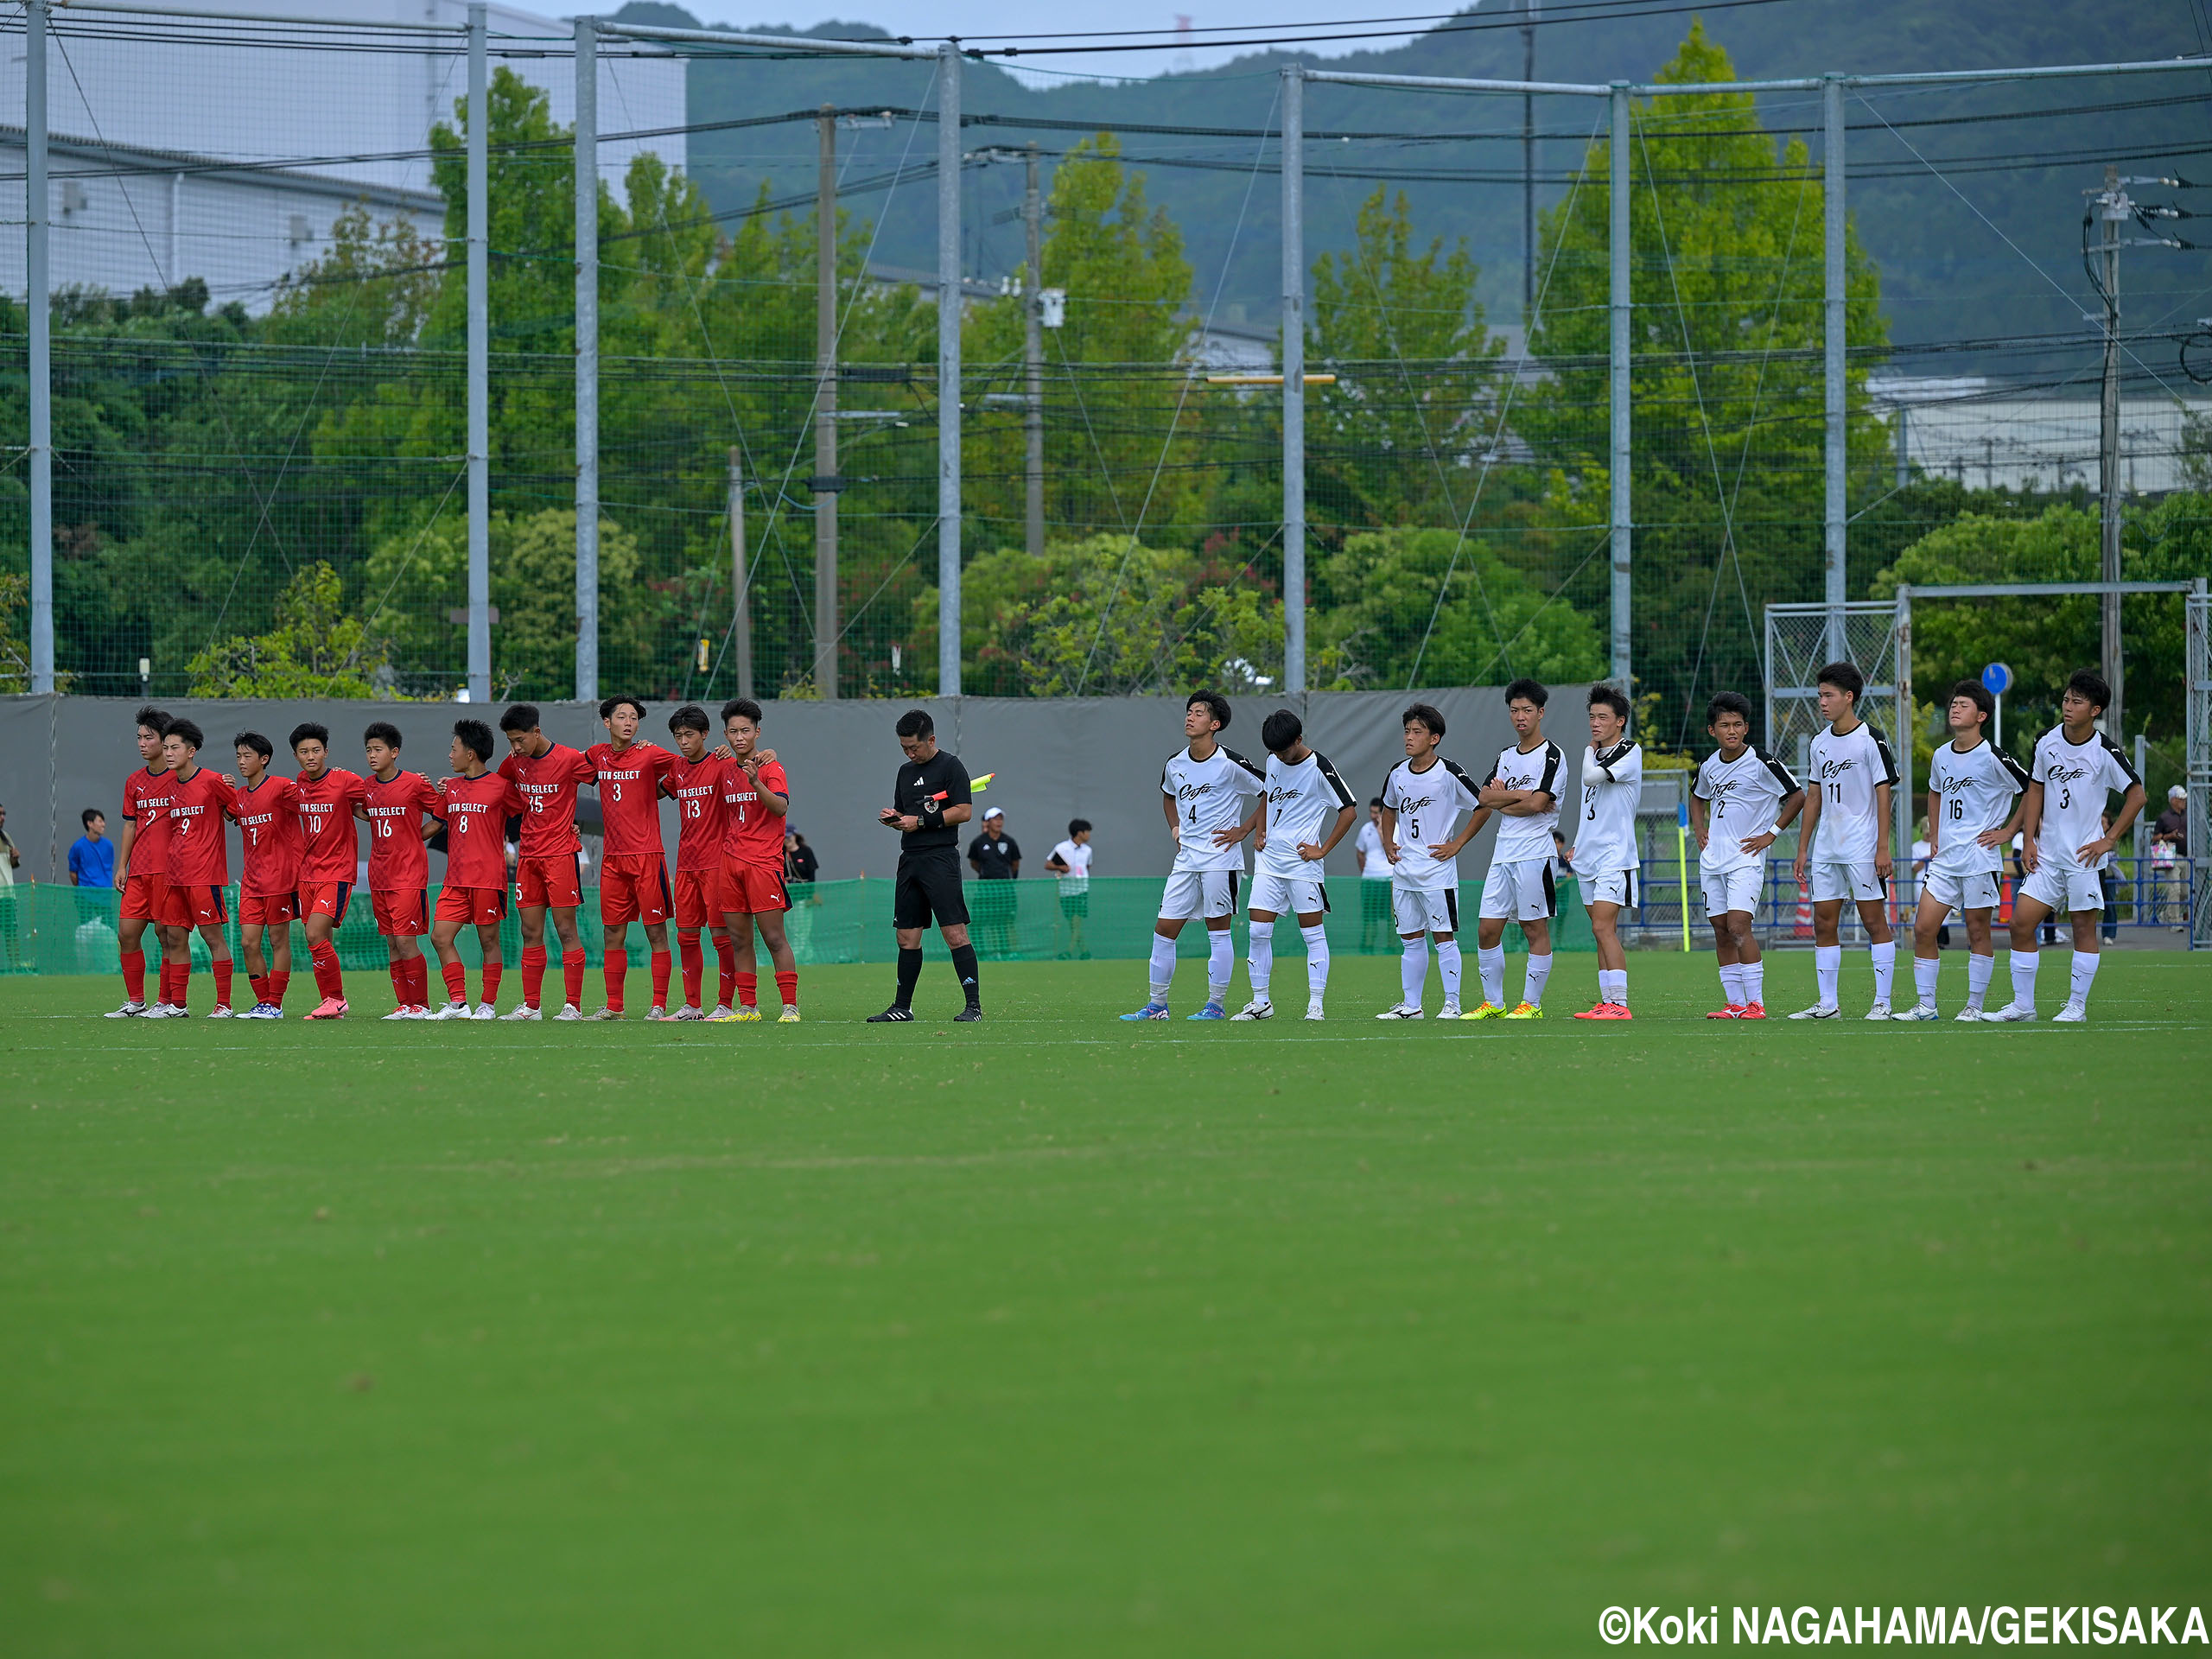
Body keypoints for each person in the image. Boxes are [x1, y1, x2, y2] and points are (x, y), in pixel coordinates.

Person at [1984, 670, 2145, 1023]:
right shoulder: (2046, 741)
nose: (2068, 706)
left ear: (2095, 710)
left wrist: (2109, 839)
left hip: (2084, 859)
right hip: (2048, 856)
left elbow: (2138, 795)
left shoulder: (2105, 750)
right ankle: (2023, 1006)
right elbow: (2035, 789)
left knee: (2083, 930)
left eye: (2078, 701)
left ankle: (2076, 1007)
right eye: (2066, 699)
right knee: (2020, 924)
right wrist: (2027, 839)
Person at [1123, 691, 1265, 1021]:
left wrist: (1245, 830)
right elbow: (1168, 798)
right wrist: (1176, 830)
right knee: (1163, 930)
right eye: (1189, 711)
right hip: (1186, 860)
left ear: (1215, 724)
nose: (1190, 717)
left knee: (1218, 932)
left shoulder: (1231, 763)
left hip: (1221, 860)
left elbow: (1268, 791)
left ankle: (1215, 1005)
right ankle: (1157, 1006)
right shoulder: (1175, 763)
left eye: (1199, 713)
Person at [1898, 681, 2028, 1021]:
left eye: (1964, 704)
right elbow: (1935, 792)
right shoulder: (1942, 755)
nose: (1955, 708)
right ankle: (1926, 1006)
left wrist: (2010, 831)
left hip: (1979, 857)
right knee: (1923, 929)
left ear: (1981, 715)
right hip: (1945, 859)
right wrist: (1936, 836)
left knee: (1976, 932)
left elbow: (2032, 788)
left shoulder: (1993, 756)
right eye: (1953, 703)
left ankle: (1974, 1006)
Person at [1789, 662, 1900, 1020]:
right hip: (1827, 848)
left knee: (1873, 922)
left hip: (1862, 847)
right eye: (1820, 695)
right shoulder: (1819, 743)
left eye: (1828, 695)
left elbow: (1884, 794)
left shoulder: (1872, 739)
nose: (1822, 702)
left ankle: (1882, 1003)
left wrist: (1883, 846)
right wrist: (1804, 847)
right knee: (1823, 922)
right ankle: (1828, 1004)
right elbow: (1814, 796)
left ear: (1848, 697)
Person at [1236, 708, 1357, 1022]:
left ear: (1299, 740)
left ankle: (1315, 1005)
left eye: (1284, 749)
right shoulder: (1274, 759)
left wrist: (1323, 849)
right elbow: (1269, 795)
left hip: (1303, 865)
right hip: (1269, 862)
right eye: (1273, 751)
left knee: (1312, 935)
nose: (1278, 756)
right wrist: (1260, 830)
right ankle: (1260, 1003)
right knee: (1258, 932)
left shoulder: (1320, 768)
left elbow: (1348, 810)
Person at [1690, 692, 1805, 1020]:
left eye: (1737, 725)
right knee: (1721, 930)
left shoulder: (1762, 762)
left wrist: (1772, 834)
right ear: (1712, 730)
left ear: (1746, 728)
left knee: (1739, 927)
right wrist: (1700, 828)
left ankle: (1756, 1004)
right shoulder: (1709, 765)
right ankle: (1735, 1004)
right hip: (1712, 859)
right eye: (1724, 725)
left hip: (1746, 858)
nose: (1732, 731)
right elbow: (1698, 797)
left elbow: (1797, 796)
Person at [871, 709, 981, 1022]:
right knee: (906, 937)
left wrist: (919, 820)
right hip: (911, 861)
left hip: (941, 859)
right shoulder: (905, 772)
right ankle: (901, 1007)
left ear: (931, 739)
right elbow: (906, 815)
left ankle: (973, 1006)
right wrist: (894, 819)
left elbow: (963, 811)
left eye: (914, 747)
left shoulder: (951, 766)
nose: (909, 753)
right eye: (904, 748)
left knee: (954, 933)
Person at [1468, 678, 1567, 1021]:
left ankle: (1532, 1005)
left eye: (1527, 710)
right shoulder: (1505, 756)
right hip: (1503, 853)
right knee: (1486, 929)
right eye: (1514, 710)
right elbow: (1482, 797)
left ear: (1540, 713)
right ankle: (1494, 1003)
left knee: (1533, 927)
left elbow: (1538, 805)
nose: (1520, 716)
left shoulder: (1552, 756)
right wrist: (1517, 797)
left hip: (1534, 854)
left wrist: (1505, 798)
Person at [1376, 702, 1480, 1020]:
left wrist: (1457, 843)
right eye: (1407, 731)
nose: (1409, 737)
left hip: (1437, 871)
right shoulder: (1397, 772)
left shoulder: (1448, 772)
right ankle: (1412, 1006)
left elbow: (1483, 805)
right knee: (1410, 939)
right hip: (1405, 871)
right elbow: (1389, 808)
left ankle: (1452, 1003)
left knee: (1444, 937)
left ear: (1434, 738)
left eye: (1417, 732)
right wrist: (1387, 842)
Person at [497, 702, 596, 1020]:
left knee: (566, 930)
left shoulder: (569, 759)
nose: (515, 747)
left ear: (536, 732)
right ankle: (532, 1006)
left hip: (560, 856)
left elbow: (604, 774)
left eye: (520, 740)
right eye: (511, 741)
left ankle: (573, 1006)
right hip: (528, 857)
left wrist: (575, 819)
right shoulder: (514, 762)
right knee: (529, 931)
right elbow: (498, 789)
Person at [584, 695, 677, 1020]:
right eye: (622, 717)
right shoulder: (597, 756)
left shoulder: (650, 752)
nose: (629, 723)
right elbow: (561, 768)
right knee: (612, 933)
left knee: (656, 933)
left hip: (647, 856)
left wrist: (662, 789)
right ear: (607, 723)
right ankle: (614, 1006)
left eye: (634, 718)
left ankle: (659, 1005)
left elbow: (687, 765)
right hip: (613, 859)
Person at [429, 718, 520, 1020]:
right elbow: (436, 824)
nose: (450, 754)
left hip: (487, 878)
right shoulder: (451, 788)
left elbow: (528, 813)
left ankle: (488, 1005)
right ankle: (458, 1003)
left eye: (454, 748)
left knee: (488, 941)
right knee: (440, 937)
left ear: (470, 753)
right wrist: (406, 840)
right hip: (455, 879)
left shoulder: (502, 787)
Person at [716, 697, 799, 1022]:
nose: (740, 737)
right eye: (733, 731)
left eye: (745, 731)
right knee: (738, 939)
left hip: (763, 863)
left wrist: (755, 782)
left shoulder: (770, 767)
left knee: (774, 938)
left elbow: (780, 807)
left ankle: (790, 1006)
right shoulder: (723, 767)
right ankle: (748, 1007)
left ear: (757, 732)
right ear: (725, 735)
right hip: (730, 863)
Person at [156, 719, 239, 1018]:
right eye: (165, 747)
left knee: (213, 938)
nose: (168, 753)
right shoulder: (168, 785)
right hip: (175, 876)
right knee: (174, 937)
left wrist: (226, 808)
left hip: (205, 875)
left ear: (191, 751)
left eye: (174, 747)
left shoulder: (214, 781)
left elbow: (238, 809)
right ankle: (178, 1005)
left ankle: (224, 1005)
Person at [1569, 685, 1643, 1020]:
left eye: (1603, 717)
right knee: (1600, 931)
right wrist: (1579, 844)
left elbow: (1589, 778)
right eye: (1592, 717)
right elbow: (1591, 806)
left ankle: (1620, 1005)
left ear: (1620, 721)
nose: (1595, 724)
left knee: (1603, 928)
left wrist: (1588, 750)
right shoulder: (1599, 753)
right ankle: (1607, 1001)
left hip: (1615, 856)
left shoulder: (1629, 750)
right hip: (1588, 857)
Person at [288, 723, 370, 1020]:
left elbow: (373, 798)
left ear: (326, 752)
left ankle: (337, 998)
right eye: (303, 752)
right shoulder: (300, 782)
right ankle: (330, 1003)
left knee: (313, 933)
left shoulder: (345, 779)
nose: (310, 756)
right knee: (318, 940)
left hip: (336, 871)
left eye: (315, 750)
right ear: (296, 756)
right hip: (307, 873)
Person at [663, 704, 737, 1021]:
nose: (683, 741)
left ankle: (725, 1004)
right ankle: (692, 1006)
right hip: (685, 865)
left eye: (689, 735)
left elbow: (750, 769)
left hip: (716, 863)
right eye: (678, 736)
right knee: (686, 936)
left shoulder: (722, 763)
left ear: (705, 734)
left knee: (722, 937)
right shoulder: (677, 769)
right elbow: (648, 790)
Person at [361, 721, 441, 1020]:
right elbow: (360, 807)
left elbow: (442, 811)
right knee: (393, 942)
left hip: (408, 874)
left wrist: (416, 835)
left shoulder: (414, 783)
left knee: (407, 940)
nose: (372, 755)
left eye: (378, 749)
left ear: (394, 752)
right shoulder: (366, 786)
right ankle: (404, 1004)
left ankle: (421, 1004)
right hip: (379, 875)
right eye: (368, 750)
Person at [111, 706, 181, 1018]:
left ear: (164, 740)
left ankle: (167, 1002)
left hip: (169, 871)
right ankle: (136, 1001)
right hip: (138, 871)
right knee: (126, 933)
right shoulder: (133, 781)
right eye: (138, 737)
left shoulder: (180, 777)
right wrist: (122, 866)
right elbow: (130, 824)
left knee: (166, 936)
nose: (142, 743)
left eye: (148, 738)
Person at [228, 731, 302, 1018]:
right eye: (238, 756)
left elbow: (312, 800)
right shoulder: (240, 796)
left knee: (278, 940)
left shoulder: (283, 787)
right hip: (251, 881)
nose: (241, 761)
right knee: (248, 942)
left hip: (280, 878)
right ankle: (264, 1002)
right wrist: (223, 788)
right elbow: (226, 811)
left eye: (247, 756)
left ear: (264, 759)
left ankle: (275, 1003)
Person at [966, 806, 1020, 957]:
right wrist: (986, 875)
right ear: (988, 822)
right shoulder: (979, 842)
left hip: (1005, 889)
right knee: (978, 920)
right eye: (995, 819)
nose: (999, 822)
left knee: (1003, 921)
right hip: (985, 888)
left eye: (1001, 819)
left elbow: (1015, 863)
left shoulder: (1009, 841)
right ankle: (981, 952)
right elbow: (974, 863)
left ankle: (1005, 952)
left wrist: (1009, 880)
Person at [1045, 819, 1093, 958]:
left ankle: (1068, 952)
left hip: (1081, 890)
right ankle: (1085, 952)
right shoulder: (1061, 848)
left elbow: (1087, 867)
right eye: (1087, 831)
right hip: (1066, 891)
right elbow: (1048, 864)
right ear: (1080, 833)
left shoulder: (1088, 850)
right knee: (1073, 923)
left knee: (1077, 922)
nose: (1089, 835)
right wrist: (1060, 867)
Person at [1355, 798, 1394, 954]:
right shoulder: (1365, 829)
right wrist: (1366, 871)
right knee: (1369, 916)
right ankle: (1368, 947)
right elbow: (1360, 852)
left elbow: (1388, 846)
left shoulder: (1395, 828)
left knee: (1391, 917)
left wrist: (1380, 829)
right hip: (1370, 880)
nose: (1373, 816)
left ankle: (1391, 947)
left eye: (1376, 813)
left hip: (1389, 879)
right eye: (1371, 812)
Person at [2152, 784, 2188, 927]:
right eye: (2181, 799)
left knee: (2185, 892)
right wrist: (2169, 836)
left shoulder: (2188, 815)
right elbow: (2155, 838)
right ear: (2173, 800)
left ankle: (2166, 914)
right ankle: (2174, 921)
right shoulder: (2164, 817)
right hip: (2171, 857)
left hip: (2187, 857)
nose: (2184, 802)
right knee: (2175, 889)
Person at [68, 810, 114, 889]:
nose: (103, 824)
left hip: (105, 895)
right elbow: (73, 873)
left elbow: (109, 868)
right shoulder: (78, 847)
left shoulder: (109, 846)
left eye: (103, 821)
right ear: (90, 823)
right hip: (85, 895)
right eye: (100, 821)